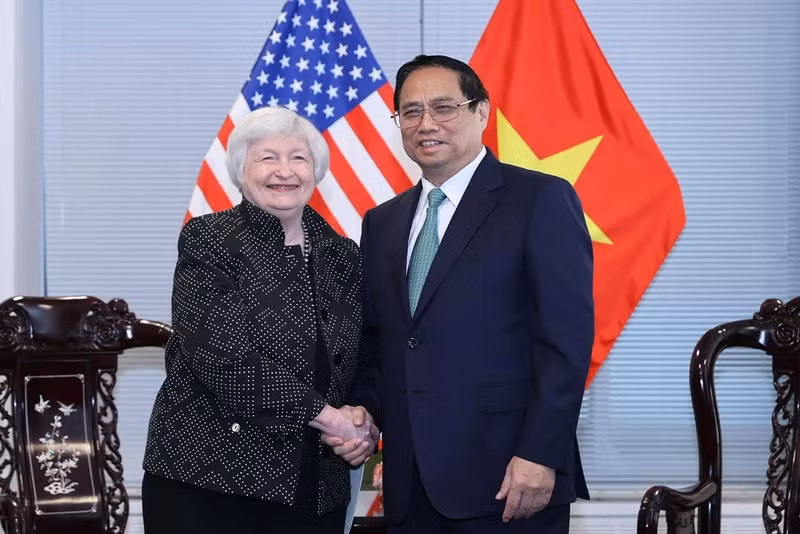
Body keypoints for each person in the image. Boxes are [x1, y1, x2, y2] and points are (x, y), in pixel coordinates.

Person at [335, 54, 594, 533]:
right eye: (410, 112)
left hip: (509, 480)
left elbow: (565, 343)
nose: (426, 123)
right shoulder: (382, 222)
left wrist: (541, 453)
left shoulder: (539, 199)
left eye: (443, 107)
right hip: (410, 486)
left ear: (481, 112)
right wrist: (364, 414)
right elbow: (379, 344)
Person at [141, 106, 379, 534]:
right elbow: (224, 359)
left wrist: (363, 419)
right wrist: (331, 418)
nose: (284, 171)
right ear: (241, 169)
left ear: (315, 170)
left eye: (298, 158)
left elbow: (366, 353)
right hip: (211, 480)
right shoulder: (208, 239)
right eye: (268, 157)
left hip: (315, 483)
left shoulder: (344, 254)